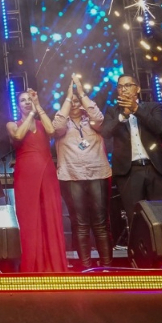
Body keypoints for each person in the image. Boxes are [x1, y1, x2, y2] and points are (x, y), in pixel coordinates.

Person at [101, 75, 162, 235]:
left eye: (128, 85)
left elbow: (159, 127)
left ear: (137, 88)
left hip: (155, 168)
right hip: (129, 171)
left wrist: (136, 109)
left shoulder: (152, 106)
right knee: (135, 218)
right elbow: (106, 132)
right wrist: (123, 116)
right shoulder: (112, 111)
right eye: (120, 86)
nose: (124, 89)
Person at [7, 89, 68, 273]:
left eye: (29, 99)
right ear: (18, 106)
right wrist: (31, 114)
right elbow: (18, 136)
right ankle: (32, 266)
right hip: (26, 173)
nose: (27, 102)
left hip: (47, 171)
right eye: (23, 100)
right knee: (29, 217)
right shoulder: (12, 124)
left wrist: (38, 106)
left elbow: (51, 131)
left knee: (50, 214)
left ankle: (54, 265)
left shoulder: (42, 123)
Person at [51, 78, 109, 269]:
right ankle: (86, 267)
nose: (75, 104)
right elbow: (56, 127)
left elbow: (99, 118)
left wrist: (81, 93)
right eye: (71, 101)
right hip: (71, 176)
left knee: (100, 223)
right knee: (80, 224)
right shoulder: (62, 123)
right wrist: (69, 97)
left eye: (78, 101)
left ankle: (106, 267)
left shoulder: (92, 120)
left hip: (97, 173)